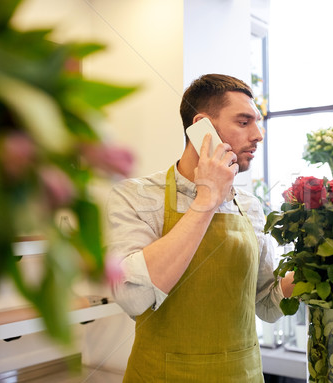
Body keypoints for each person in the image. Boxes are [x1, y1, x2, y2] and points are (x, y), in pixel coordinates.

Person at [107, 74, 294, 382]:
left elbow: (267, 304)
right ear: (202, 128)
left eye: (257, 123)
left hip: (242, 375)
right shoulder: (135, 196)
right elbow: (133, 298)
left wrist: (315, 263)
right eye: (244, 122)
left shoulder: (249, 205)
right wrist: (207, 198)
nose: (258, 135)